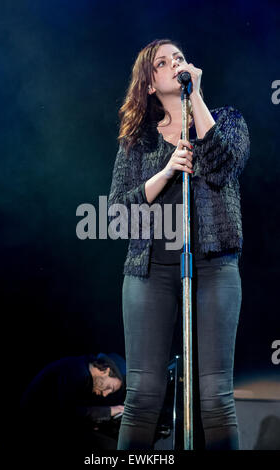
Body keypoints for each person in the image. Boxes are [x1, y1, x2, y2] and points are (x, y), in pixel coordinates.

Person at [108, 38, 250, 450]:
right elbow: (118, 214)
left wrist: (198, 98)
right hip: (149, 270)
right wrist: (167, 171)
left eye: (180, 59)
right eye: (162, 63)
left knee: (216, 397)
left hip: (214, 265)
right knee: (143, 396)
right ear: (149, 84)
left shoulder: (225, 120)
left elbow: (226, 165)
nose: (175, 65)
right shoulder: (138, 141)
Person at [19, 353, 126, 450]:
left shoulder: (82, 371)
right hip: (33, 428)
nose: (105, 394)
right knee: (109, 446)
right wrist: (111, 410)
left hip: (45, 424)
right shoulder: (78, 372)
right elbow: (70, 413)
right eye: (110, 388)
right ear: (106, 370)